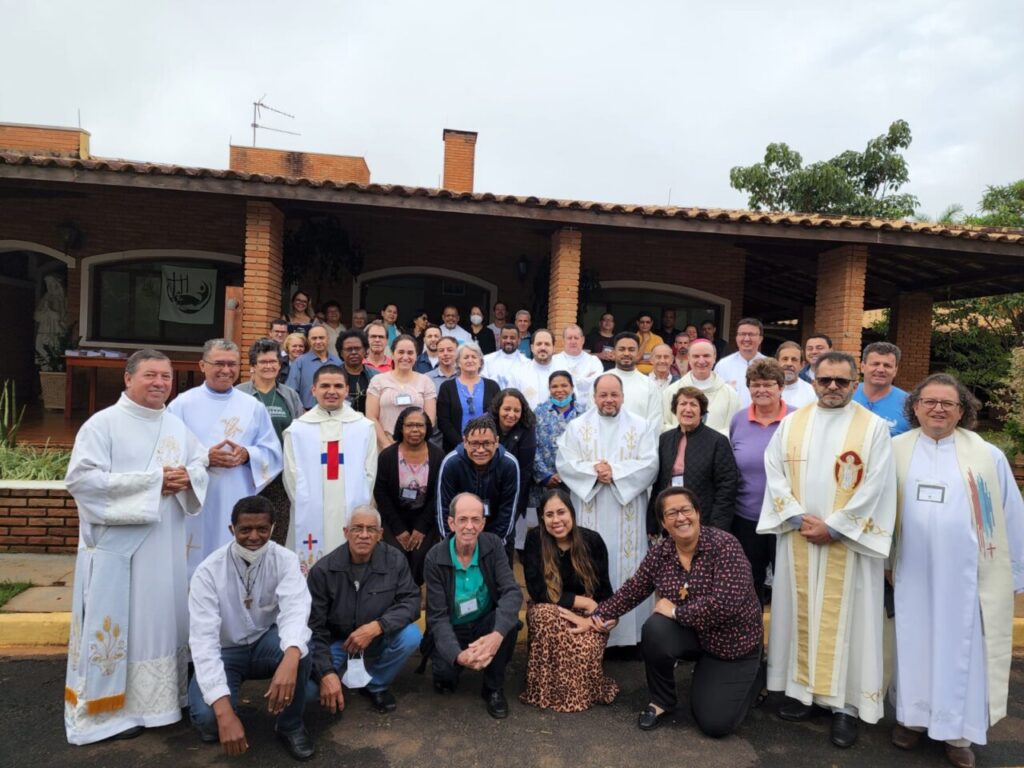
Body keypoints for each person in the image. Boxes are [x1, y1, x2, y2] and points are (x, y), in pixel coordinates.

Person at [63, 350, 208, 745]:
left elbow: (198, 465)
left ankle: (160, 704)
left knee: (159, 621)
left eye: (166, 376)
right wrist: (154, 483)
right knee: (120, 625)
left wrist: (189, 478)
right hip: (118, 552)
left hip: (165, 548)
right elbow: (81, 482)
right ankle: (106, 712)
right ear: (128, 379)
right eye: (150, 375)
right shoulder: (102, 425)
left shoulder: (176, 427)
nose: (160, 383)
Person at [758, 351, 897, 748]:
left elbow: (878, 485)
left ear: (856, 382)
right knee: (801, 613)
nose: (832, 387)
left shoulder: (872, 429)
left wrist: (835, 527)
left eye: (841, 380)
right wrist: (801, 519)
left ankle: (845, 708)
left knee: (850, 622)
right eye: (824, 380)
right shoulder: (792, 425)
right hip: (800, 537)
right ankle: (805, 694)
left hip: (847, 546)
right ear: (812, 380)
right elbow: (775, 474)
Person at [890, 374, 1024, 768]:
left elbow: (1011, 516)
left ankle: (958, 732)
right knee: (912, 642)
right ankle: (911, 719)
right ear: (914, 407)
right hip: (911, 570)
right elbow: (880, 510)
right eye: (929, 401)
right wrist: (884, 561)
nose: (938, 409)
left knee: (960, 649)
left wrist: (1012, 574)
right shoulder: (896, 449)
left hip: (967, 576)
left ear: (962, 411)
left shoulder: (986, 455)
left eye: (948, 404)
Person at [591, 488, 764, 737]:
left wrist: (676, 612)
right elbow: (633, 589)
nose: (680, 518)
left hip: (732, 645)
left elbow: (725, 604)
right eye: (671, 513)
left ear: (697, 513)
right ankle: (662, 701)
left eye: (686, 510)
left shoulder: (725, 546)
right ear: (663, 522)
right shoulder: (661, 553)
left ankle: (756, 674)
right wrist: (597, 615)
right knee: (655, 630)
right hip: (696, 635)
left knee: (715, 724)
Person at [187, 496, 314, 761]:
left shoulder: (286, 560)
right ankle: (224, 705)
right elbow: (203, 641)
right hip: (224, 653)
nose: (254, 536)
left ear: (273, 528)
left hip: (263, 645)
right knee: (210, 722)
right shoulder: (208, 572)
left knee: (301, 648)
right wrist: (224, 714)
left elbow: (295, 611)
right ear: (231, 529)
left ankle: (290, 724)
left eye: (262, 529)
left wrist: (291, 659)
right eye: (245, 530)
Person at [556, 373, 658, 647]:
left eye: (614, 395)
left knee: (630, 567)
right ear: (594, 397)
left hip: (628, 509)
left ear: (623, 396)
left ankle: (629, 638)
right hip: (591, 507)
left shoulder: (642, 426)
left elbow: (650, 464)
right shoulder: (577, 427)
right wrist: (594, 472)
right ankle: (591, 635)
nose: (609, 400)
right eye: (603, 395)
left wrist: (615, 472)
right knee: (590, 564)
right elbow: (564, 463)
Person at [167, 339, 282, 575]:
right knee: (195, 560)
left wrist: (248, 454)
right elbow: (167, 451)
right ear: (202, 365)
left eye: (233, 364)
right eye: (219, 363)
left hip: (235, 491)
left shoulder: (252, 406)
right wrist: (205, 456)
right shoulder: (182, 404)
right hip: (195, 496)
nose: (227, 370)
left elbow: (272, 451)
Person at [305, 505, 422, 716]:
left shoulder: (395, 560)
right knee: (310, 692)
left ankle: (375, 684)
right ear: (346, 532)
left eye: (371, 529)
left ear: (380, 534)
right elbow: (315, 628)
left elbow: (411, 602)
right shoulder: (323, 570)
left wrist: (378, 626)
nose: (364, 535)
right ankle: (337, 677)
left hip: (378, 636)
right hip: (340, 642)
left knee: (411, 635)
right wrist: (326, 673)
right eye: (357, 528)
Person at [423, 493, 523, 719]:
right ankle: (456, 665)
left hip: (483, 624)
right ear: (451, 522)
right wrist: (458, 656)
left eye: (475, 520)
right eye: (462, 519)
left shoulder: (493, 545)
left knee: (508, 623)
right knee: (445, 677)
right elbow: (437, 618)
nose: (469, 526)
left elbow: (511, 591)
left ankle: (493, 688)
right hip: (453, 627)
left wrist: (496, 635)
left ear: (483, 523)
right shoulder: (434, 557)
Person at [520, 489, 618, 712]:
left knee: (584, 647)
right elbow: (538, 591)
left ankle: (573, 695)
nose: (556, 520)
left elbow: (606, 595)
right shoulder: (535, 539)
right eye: (549, 514)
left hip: (588, 617)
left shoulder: (592, 541)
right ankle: (545, 692)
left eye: (561, 512)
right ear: (542, 518)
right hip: (551, 609)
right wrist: (583, 603)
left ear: (572, 513)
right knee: (543, 615)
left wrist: (591, 619)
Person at [282, 364, 378, 573]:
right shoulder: (298, 430)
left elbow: (370, 472)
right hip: (310, 511)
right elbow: (290, 475)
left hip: (351, 509)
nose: (331, 391)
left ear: (346, 390)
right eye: (325, 386)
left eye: (338, 386)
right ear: (313, 390)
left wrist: (359, 507)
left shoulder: (363, 427)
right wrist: (306, 504)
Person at [728, 358, 790, 605]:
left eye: (768, 384)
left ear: (781, 387)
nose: (761, 390)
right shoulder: (738, 420)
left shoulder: (797, 419)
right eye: (755, 384)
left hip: (785, 519)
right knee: (748, 585)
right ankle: (751, 641)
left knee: (786, 586)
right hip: (746, 518)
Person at [237, 338, 304, 544]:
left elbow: (300, 431)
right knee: (247, 528)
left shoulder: (289, 395)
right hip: (247, 474)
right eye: (263, 362)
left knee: (278, 530)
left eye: (273, 362)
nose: (269, 366)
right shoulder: (239, 393)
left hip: (280, 475)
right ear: (253, 366)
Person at [649, 386, 738, 536]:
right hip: (670, 518)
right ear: (675, 409)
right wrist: (652, 523)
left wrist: (717, 529)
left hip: (703, 520)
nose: (687, 409)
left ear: (701, 411)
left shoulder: (717, 441)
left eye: (693, 405)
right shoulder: (665, 439)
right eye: (683, 404)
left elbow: (727, 487)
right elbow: (658, 484)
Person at [374, 407, 444, 584]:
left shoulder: (437, 455)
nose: (415, 430)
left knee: (420, 554)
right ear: (401, 428)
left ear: (427, 428)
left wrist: (421, 528)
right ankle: (399, 592)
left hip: (425, 519)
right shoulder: (387, 456)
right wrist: (399, 529)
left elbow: (438, 495)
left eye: (420, 425)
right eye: (410, 425)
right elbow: (381, 493)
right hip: (394, 518)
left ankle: (415, 590)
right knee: (397, 552)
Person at [436, 416, 521, 549]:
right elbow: (444, 510)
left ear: (497, 441)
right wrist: (455, 544)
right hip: (460, 535)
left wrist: (493, 547)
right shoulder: (451, 464)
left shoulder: (509, 464)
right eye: (474, 444)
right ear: (465, 442)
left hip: (498, 536)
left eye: (487, 443)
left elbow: (508, 512)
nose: (481, 450)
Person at [365, 335, 437, 450]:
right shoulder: (378, 381)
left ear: (416, 355)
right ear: (392, 354)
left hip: (416, 447)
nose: (405, 357)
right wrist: (386, 445)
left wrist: (414, 443)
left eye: (410, 353)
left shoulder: (426, 382)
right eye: (401, 352)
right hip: (384, 446)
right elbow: (371, 416)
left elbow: (430, 419)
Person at [661, 338, 741, 435]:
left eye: (706, 356)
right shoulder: (672, 391)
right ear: (689, 358)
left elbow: (734, 428)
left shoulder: (730, 394)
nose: (701, 361)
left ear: (714, 357)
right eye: (696, 356)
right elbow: (664, 425)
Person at [436, 342, 499, 453]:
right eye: (466, 357)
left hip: (487, 449)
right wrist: (463, 445)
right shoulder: (447, 387)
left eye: (474, 357)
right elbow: (443, 421)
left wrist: (484, 444)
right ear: (458, 362)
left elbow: (497, 417)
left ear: (480, 362)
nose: (470, 360)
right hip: (455, 448)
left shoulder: (492, 386)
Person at [533, 371, 585, 499]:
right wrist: (545, 475)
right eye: (554, 386)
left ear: (572, 388)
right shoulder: (539, 412)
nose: (559, 390)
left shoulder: (584, 414)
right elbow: (532, 446)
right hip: (547, 482)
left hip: (576, 482)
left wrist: (572, 474)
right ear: (549, 389)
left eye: (564, 385)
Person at [490, 387, 537, 529]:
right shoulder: (486, 424)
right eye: (507, 409)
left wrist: (515, 503)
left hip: (514, 488)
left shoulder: (527, 427)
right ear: (498, 408)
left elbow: (525, 469)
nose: (511, 414)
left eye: (516, 410)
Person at [852, 341, 910, 436]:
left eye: (887, 365)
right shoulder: (846, 394)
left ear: (895, 370)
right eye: (875, 364)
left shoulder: (908, 403)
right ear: (862, 367)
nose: (880, 370)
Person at [609, 332, 663, 431]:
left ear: (638, 353)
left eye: (631, 350)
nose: (626, 353)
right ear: (613, 352)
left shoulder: (649, 385)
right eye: (621, 349)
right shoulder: (601, 381)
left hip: (639, 443)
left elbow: (654, 423)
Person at [286, 325, 343, 411]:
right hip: (306, 413)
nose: (318, 341)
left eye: (321, 338)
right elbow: (291, 391)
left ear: (328, 338)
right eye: (314, 338)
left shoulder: (337, 362)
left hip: (333, 413)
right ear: (309, 340)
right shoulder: (300, 362)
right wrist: (300, 411)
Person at [714, 318, 767, 408]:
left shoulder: (769, 365)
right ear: (736, 338)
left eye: (751, 334)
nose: (746, 338)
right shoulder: (722, 365)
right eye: (742, 334)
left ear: (760, 339)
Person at [551, 324, 603, 409]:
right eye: (569, 338)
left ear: (582, 340)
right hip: (560, 409)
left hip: (588, 409)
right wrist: (584, 379)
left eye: (576, 338)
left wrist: (567, 381)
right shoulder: (554, 360)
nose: (573, 341)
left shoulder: (593, 361)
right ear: (563, 341)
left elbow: (596, 384)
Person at [509, 328, 555, 410]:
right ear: (532, 348)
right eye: (539, 344)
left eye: (547, 344)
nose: (543, 348)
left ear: (553, 348)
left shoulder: (564, 372)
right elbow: (511, 402)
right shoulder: (518, 372)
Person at [336, 329, 378, 414]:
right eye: (348, 349)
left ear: (365, 350)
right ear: (341, 353)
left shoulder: (376, 376)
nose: (354, 352)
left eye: (357, 348)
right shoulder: (332, 376)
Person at [775, 340, 816, 408]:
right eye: (785, 359)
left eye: (794, 359)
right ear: (776, 362)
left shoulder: (812, 393)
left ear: (802, 365)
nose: (789, 364)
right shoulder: (764, 389)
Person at [269, 319, 292, 385]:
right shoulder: (263, 352)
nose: (280, 334)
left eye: (283, 332)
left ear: (287, 334)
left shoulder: (292, 353)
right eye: (277, 331)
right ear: (270, 333)